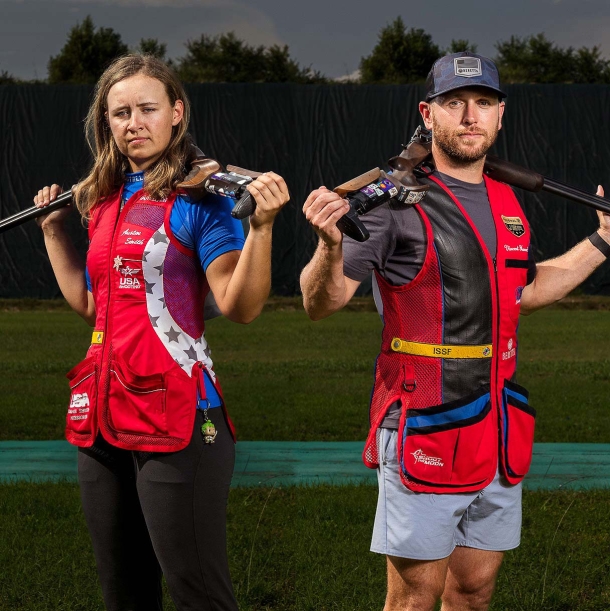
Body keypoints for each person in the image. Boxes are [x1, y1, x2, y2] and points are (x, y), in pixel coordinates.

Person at [300, 52, 610, 611]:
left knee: (473, 590)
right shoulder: (391, 203)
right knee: (416, 596)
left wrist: (603, 241)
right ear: (428, 112)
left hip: (497, 426)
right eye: (454, 103)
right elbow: (322, 302)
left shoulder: (508, 198)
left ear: (500, 116)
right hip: (425, 421)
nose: (470, 115)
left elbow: (525, 290)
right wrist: (328, 245)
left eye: (484, 103)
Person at [33, 54, 289, 611]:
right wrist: (55, 232)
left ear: (176, 113)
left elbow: (238, 306)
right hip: (100, 418)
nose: (133, 123)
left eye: (147, 109)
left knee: (199, 594)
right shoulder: (103, 199)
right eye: (120, 112)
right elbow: (93, 310)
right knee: (124, 595)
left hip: (178, 418)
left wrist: (261, 228)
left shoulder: (204, 198)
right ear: (106, 122)